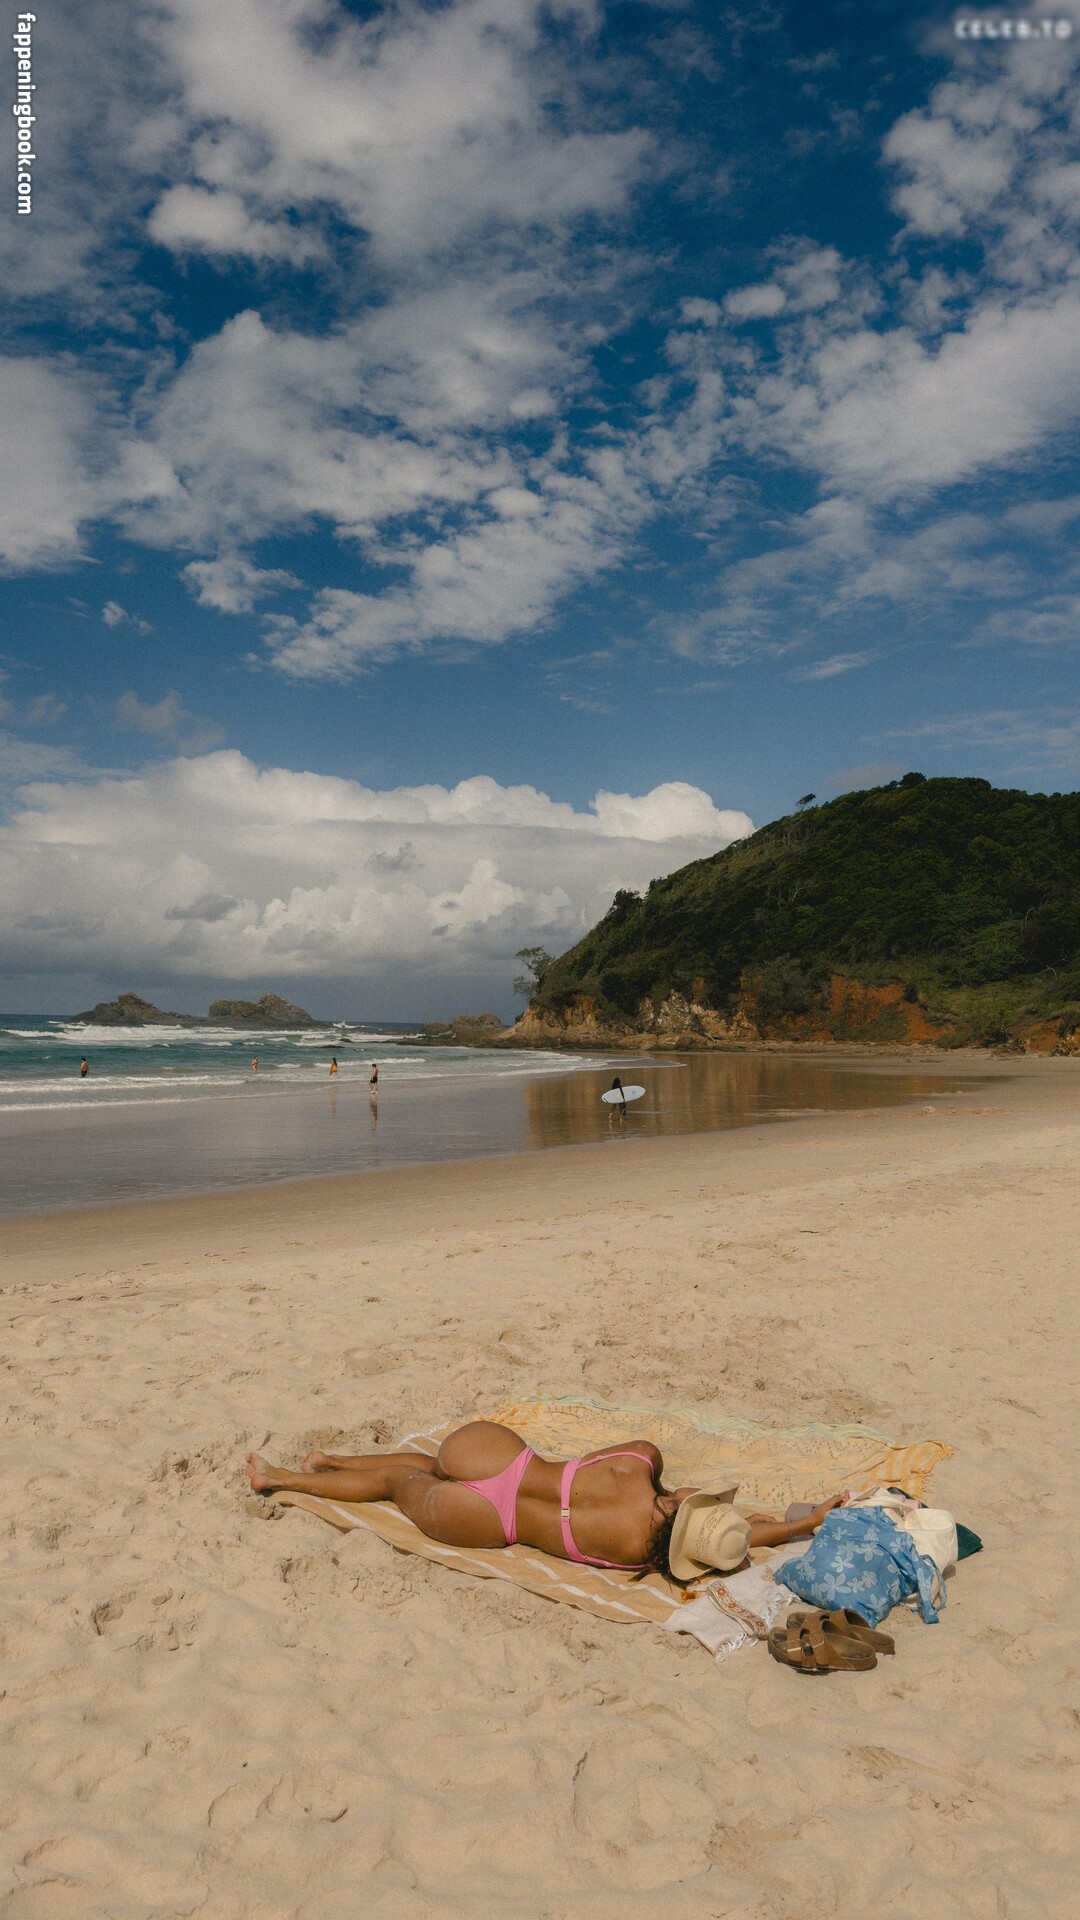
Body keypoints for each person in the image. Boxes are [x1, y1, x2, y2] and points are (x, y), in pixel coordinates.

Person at [245, 1422, 846, 1582]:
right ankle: (279, 1478)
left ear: (685, 1505)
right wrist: (802, 1523)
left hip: (500, 1460)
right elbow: (738, 1545)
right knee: (400, 1484)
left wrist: (671, 1493)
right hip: (493, 1522)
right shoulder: (639, 1555)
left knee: (427, 1464)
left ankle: (322, 1463)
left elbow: (604, 1460)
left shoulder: (641, 1461)